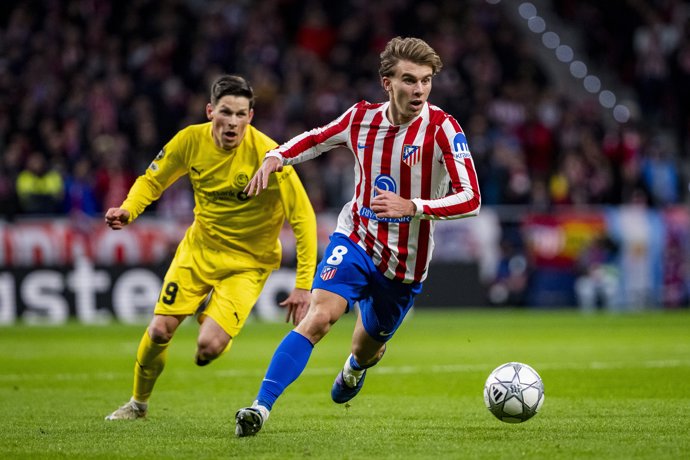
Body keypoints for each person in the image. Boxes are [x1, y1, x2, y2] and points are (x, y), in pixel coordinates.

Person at [235, 36, 481, 437]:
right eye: (408, 80)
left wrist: (414, 206)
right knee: (318, 317)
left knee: (366, 349)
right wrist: (276, 155)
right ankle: (259, 407)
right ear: (387, 82)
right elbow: (316, 137)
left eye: (425, 81)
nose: (418, 90)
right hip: (357, 239)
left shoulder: (443, 129)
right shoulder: (361, 119)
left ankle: (354, 369)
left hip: (404, 265)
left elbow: (472, 197)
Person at [104, 75, 317, 420]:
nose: (232, 122)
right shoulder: (190, 141)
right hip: (199, 250)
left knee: (207, 348)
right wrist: (129, 209)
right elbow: (153, 180)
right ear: (210, 112)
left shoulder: (271, 155)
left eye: (240, 114)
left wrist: (304, 284)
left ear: (251, 117)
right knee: (159, 329)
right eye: (225, 112)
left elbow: (303, 218)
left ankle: (213, 324)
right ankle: (137, 405)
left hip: (248, 263)